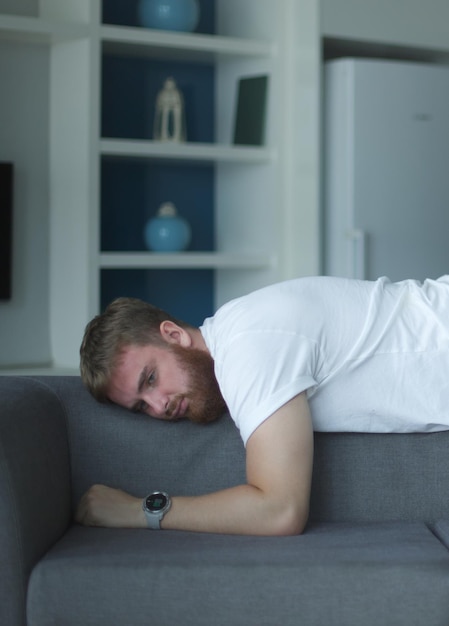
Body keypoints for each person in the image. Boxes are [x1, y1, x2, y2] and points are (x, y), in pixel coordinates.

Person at [76, 274, 449, 536]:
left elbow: (280, 511)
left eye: (151, 379)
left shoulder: (248, 349)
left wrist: (138, 510)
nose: (159, 407)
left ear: (173, 334)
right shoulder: (241, 333)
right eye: (141, 407)